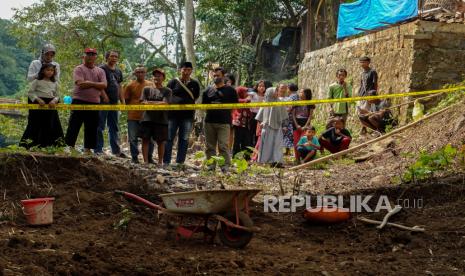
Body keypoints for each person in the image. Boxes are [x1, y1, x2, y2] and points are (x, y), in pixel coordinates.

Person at [65, 48, 107, 154]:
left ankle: (88, 149)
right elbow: (80, 84)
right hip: (79, 100)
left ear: (95, 57)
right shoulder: (79, 69)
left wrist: (89, 83)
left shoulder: (100, 71)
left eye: (93, 54)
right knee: (74, 124)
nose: (90, 56)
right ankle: (70, 147)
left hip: (95, 102)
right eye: (88, 54)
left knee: (92, 126)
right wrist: (96, 84)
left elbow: (104, 85)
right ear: (84, 56)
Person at [163, 62, 200, 167]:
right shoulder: (173, 82)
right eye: (184, 69)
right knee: (169, 138)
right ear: (180, 70)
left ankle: (180, 162)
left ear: (191, 71)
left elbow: (195, 97)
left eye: (189, 70)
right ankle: (166, 161)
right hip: (172, 116)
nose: (186, 72)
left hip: (187, 116)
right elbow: (166, 96)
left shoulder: (195, 84)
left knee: (184, 139)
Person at [202, 67, 239, 172]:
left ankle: (225, 167)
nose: (216, 77)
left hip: (224, 123)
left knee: (223, 145)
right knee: (210, 146)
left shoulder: (231, 90)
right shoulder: (207, 90)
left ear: (223, 76)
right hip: (209, 122)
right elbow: (204, 106)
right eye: (214, 75)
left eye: (218, 75)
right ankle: (211, 166)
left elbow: (234, 106)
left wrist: (227, 115)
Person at [20, 63, 63, 148]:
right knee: (35, 124)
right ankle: (30, 145)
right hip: (39, 104)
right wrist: (38, 99)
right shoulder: (37, 81)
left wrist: (54, 100)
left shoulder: (55, 83)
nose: (50, 72)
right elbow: (30, 92)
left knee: (50, 125)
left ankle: (49, 146)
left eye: (52, 70)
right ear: (43, 71)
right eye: (48, 70)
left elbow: (58, 95)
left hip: (50, 105)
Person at [95, 50, 126, 157]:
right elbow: (98, 84)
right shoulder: (101, 68)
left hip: (114, 102)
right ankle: (98, 149)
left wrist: (123, 101)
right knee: (100, 126)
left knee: (114, 126)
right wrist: (104, 96)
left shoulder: (118, 71)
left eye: (116, 56)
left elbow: (120, 86)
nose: (114, 58)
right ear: (107, 57)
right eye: (112, 56)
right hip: (102, 102)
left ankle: (116, 150)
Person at [139, 68, 172, 165]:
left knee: (160, 142)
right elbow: (142, 103)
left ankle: (160, 162)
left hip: (161, 119)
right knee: (145, 139)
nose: (157, 77)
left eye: (159, 75)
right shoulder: (146, 89)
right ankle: (145, 161)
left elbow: (165, 104)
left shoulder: (167, 91)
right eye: (155, 75)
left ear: (163, 78)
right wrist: (157, 103)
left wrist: (150, 102)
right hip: (147, 118)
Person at [124, 66, 155, 163]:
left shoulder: (151, 84)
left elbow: (154, 98)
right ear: (135, 73)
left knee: (149, 138)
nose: (140, 74)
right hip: (133, 116)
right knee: (133, 138)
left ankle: (149, 157)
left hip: (147, 116)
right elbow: (126, 100)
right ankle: (134, 157)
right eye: (138, 72)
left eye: (142, 72)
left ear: (145, 73)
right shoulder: (130, 85)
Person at [256, 87, 289, 167]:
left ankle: (277, 161)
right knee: (268, 144)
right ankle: (267, 161)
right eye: (276, 91)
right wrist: (260, 125)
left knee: (277, 144)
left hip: (278, 127)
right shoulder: (265, 102)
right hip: (267, 127)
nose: (277, 92)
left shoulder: (280, 102)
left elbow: (284, 116)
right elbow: (260, 117)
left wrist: (284, 125)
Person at [292, 88, 315, 161]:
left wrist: (305, 126)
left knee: (304, 140)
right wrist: (296, 125)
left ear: (306, 94)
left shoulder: (310, 103)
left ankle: (305, 157)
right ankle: (297, 159)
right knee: (296, 141)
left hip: (306, 123)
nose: (300, 93)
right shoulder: (296, 102)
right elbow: (293, 115)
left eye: (301, 92)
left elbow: (310, 116)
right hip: (296, 124)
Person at [358, 56, 378, 135]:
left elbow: (375, 84)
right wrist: (359, 93)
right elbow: (361, 84)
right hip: (361, 95)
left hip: (369, 96)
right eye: (361, 62)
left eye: (364, 62)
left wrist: (374, 95)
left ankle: (365, 128)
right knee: (360, 112)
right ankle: (364, 128)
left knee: (366, 112)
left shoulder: (372, 72)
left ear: (368, 62)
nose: (362, 64)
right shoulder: (362, 73)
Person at [232, 86, 253, 158]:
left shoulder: (247, 99)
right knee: (237, 141)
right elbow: (238, 101)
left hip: (246, 124)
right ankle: (235, 156)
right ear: (240, 92)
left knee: (246, 141)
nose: (247, 93)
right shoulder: (237, 99)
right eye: (245, 92)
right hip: (238, 124)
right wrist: (246, 100)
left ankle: (246, 157)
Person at [249, 80, 270, 146]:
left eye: (263, 86)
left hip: (262, 116)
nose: (261, 88)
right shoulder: (252, 94)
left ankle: (257, 147)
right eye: (260, 86)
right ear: (257, 87)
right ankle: (250, 148)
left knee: (258, 133)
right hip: (253, 115)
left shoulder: (267, 96)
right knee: (251, 132)